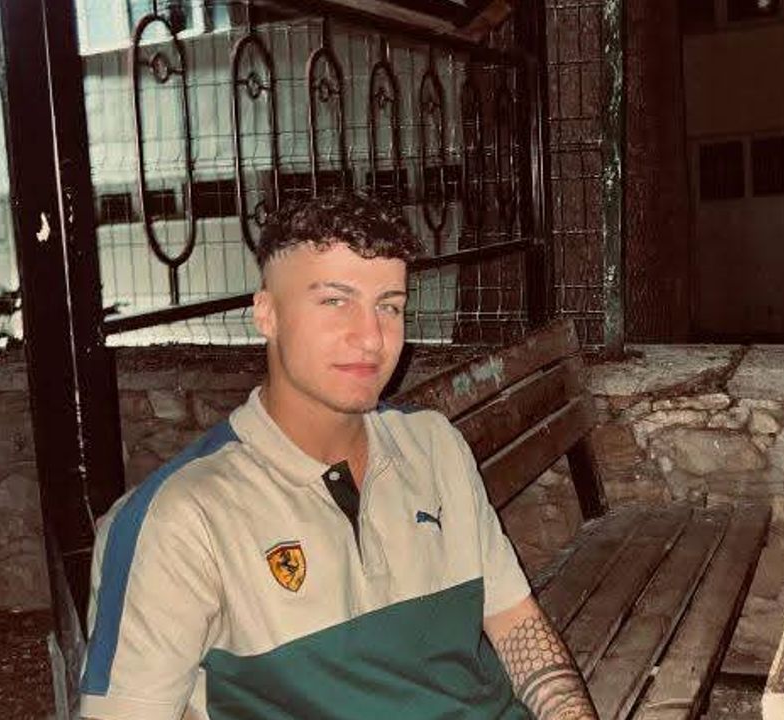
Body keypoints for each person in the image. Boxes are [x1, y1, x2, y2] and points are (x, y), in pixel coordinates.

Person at [78, 192, 598, 720]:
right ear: (267, 315)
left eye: (389, 306)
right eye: (335, 301)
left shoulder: (434, 445)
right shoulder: (181, 519)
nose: (371, 337)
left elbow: (515, 623)